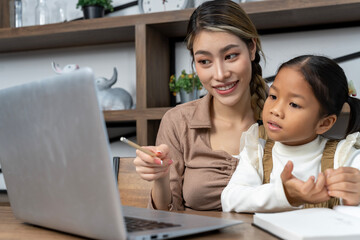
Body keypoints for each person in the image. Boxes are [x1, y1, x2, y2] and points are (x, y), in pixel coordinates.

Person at [133, 0, 268, 211]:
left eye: (231, 56)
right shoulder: (178, 122)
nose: (220, 74)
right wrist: (160, 179)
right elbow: (167, 218)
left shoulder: (287, 112)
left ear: (251, 49)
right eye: (205, 61)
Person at [222, 55, 360, 213]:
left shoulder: (344, 156)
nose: (275, 110)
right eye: (273, 96)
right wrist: (285, 195)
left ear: (324, 123)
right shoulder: (257, 153)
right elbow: (230, 199)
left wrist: (355, 196)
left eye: (294, 104)